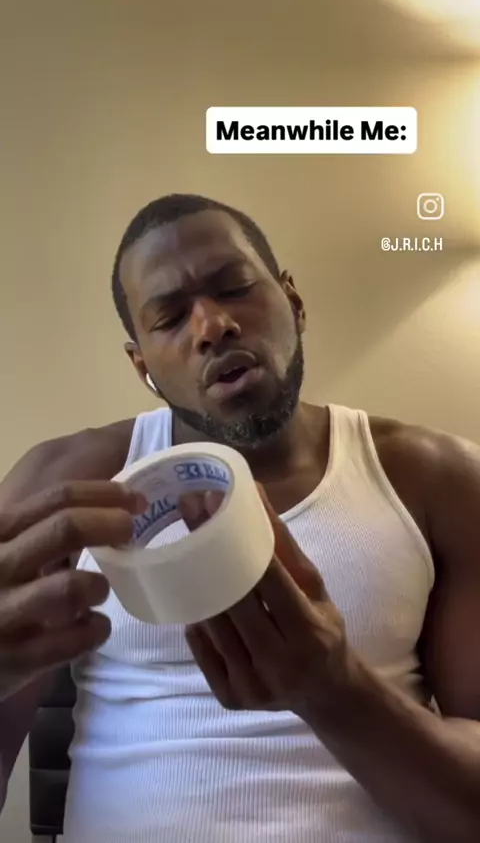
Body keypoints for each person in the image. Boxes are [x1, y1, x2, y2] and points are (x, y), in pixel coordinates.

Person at [1, 194, 480, 843]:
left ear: (294, 302)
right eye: (170, 317)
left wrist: (334, 689)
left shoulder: (439, 479)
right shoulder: (63, 487)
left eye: (235, 287)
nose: (212, 325)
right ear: (143, 367)